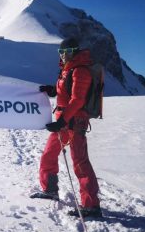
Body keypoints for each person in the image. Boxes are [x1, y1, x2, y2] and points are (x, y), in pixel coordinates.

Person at [31, 37, 101, 218]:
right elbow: (67, 92)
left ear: (75, 52)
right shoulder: (67, 70)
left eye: (68, 51)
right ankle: (50, 189)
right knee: (49, 154)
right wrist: (53, 90)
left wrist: (62, 121)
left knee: (80, 162)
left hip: (74, 122)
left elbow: (77, 100)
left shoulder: (80, 71)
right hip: (64, 120)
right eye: (61, 52)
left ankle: (91, 205)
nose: (63, 55)